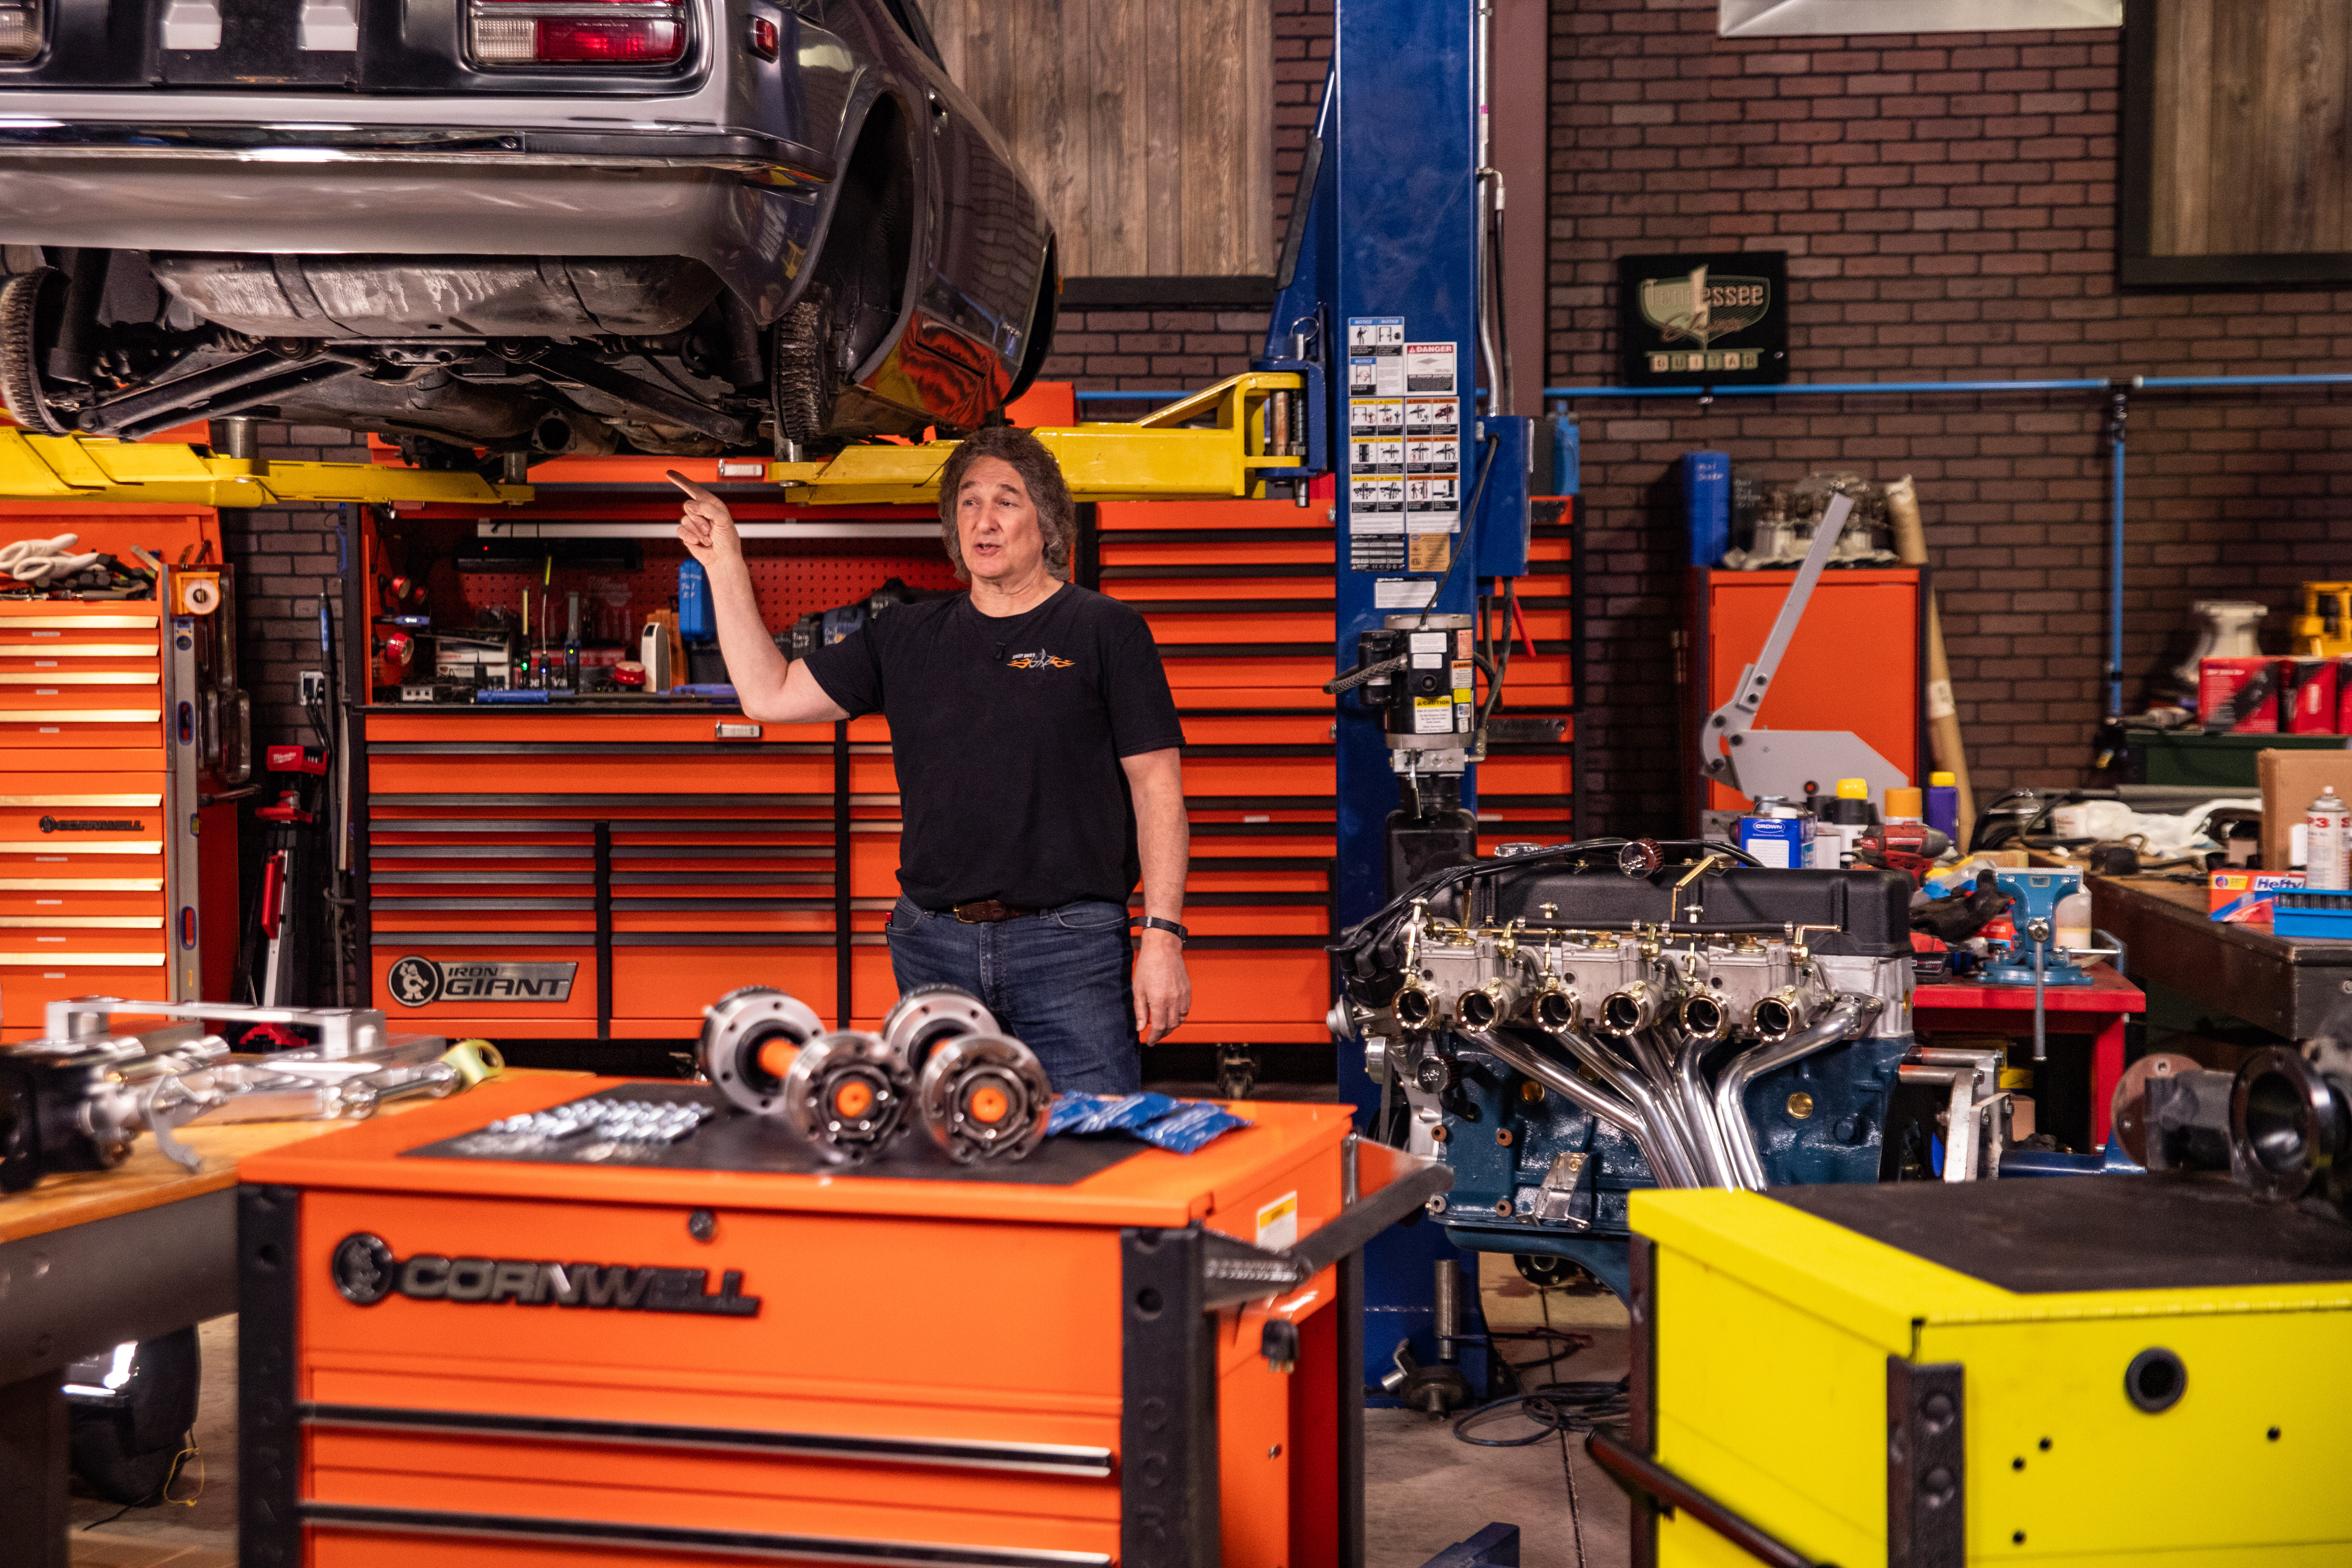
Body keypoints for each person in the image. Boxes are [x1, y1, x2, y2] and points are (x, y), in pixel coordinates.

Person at [669, 427, 1190, 1093]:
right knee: (947, 1154)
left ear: (1048, 522)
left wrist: (1163, 937)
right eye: (968, 503)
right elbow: (768, 695)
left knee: (1092, 1151)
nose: (984, 519)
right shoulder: (905, 636)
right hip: (933, 943)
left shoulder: (1104, 630)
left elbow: (1157, 790)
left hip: (1070, 947)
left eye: (1007, 500)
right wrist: (724, 564)